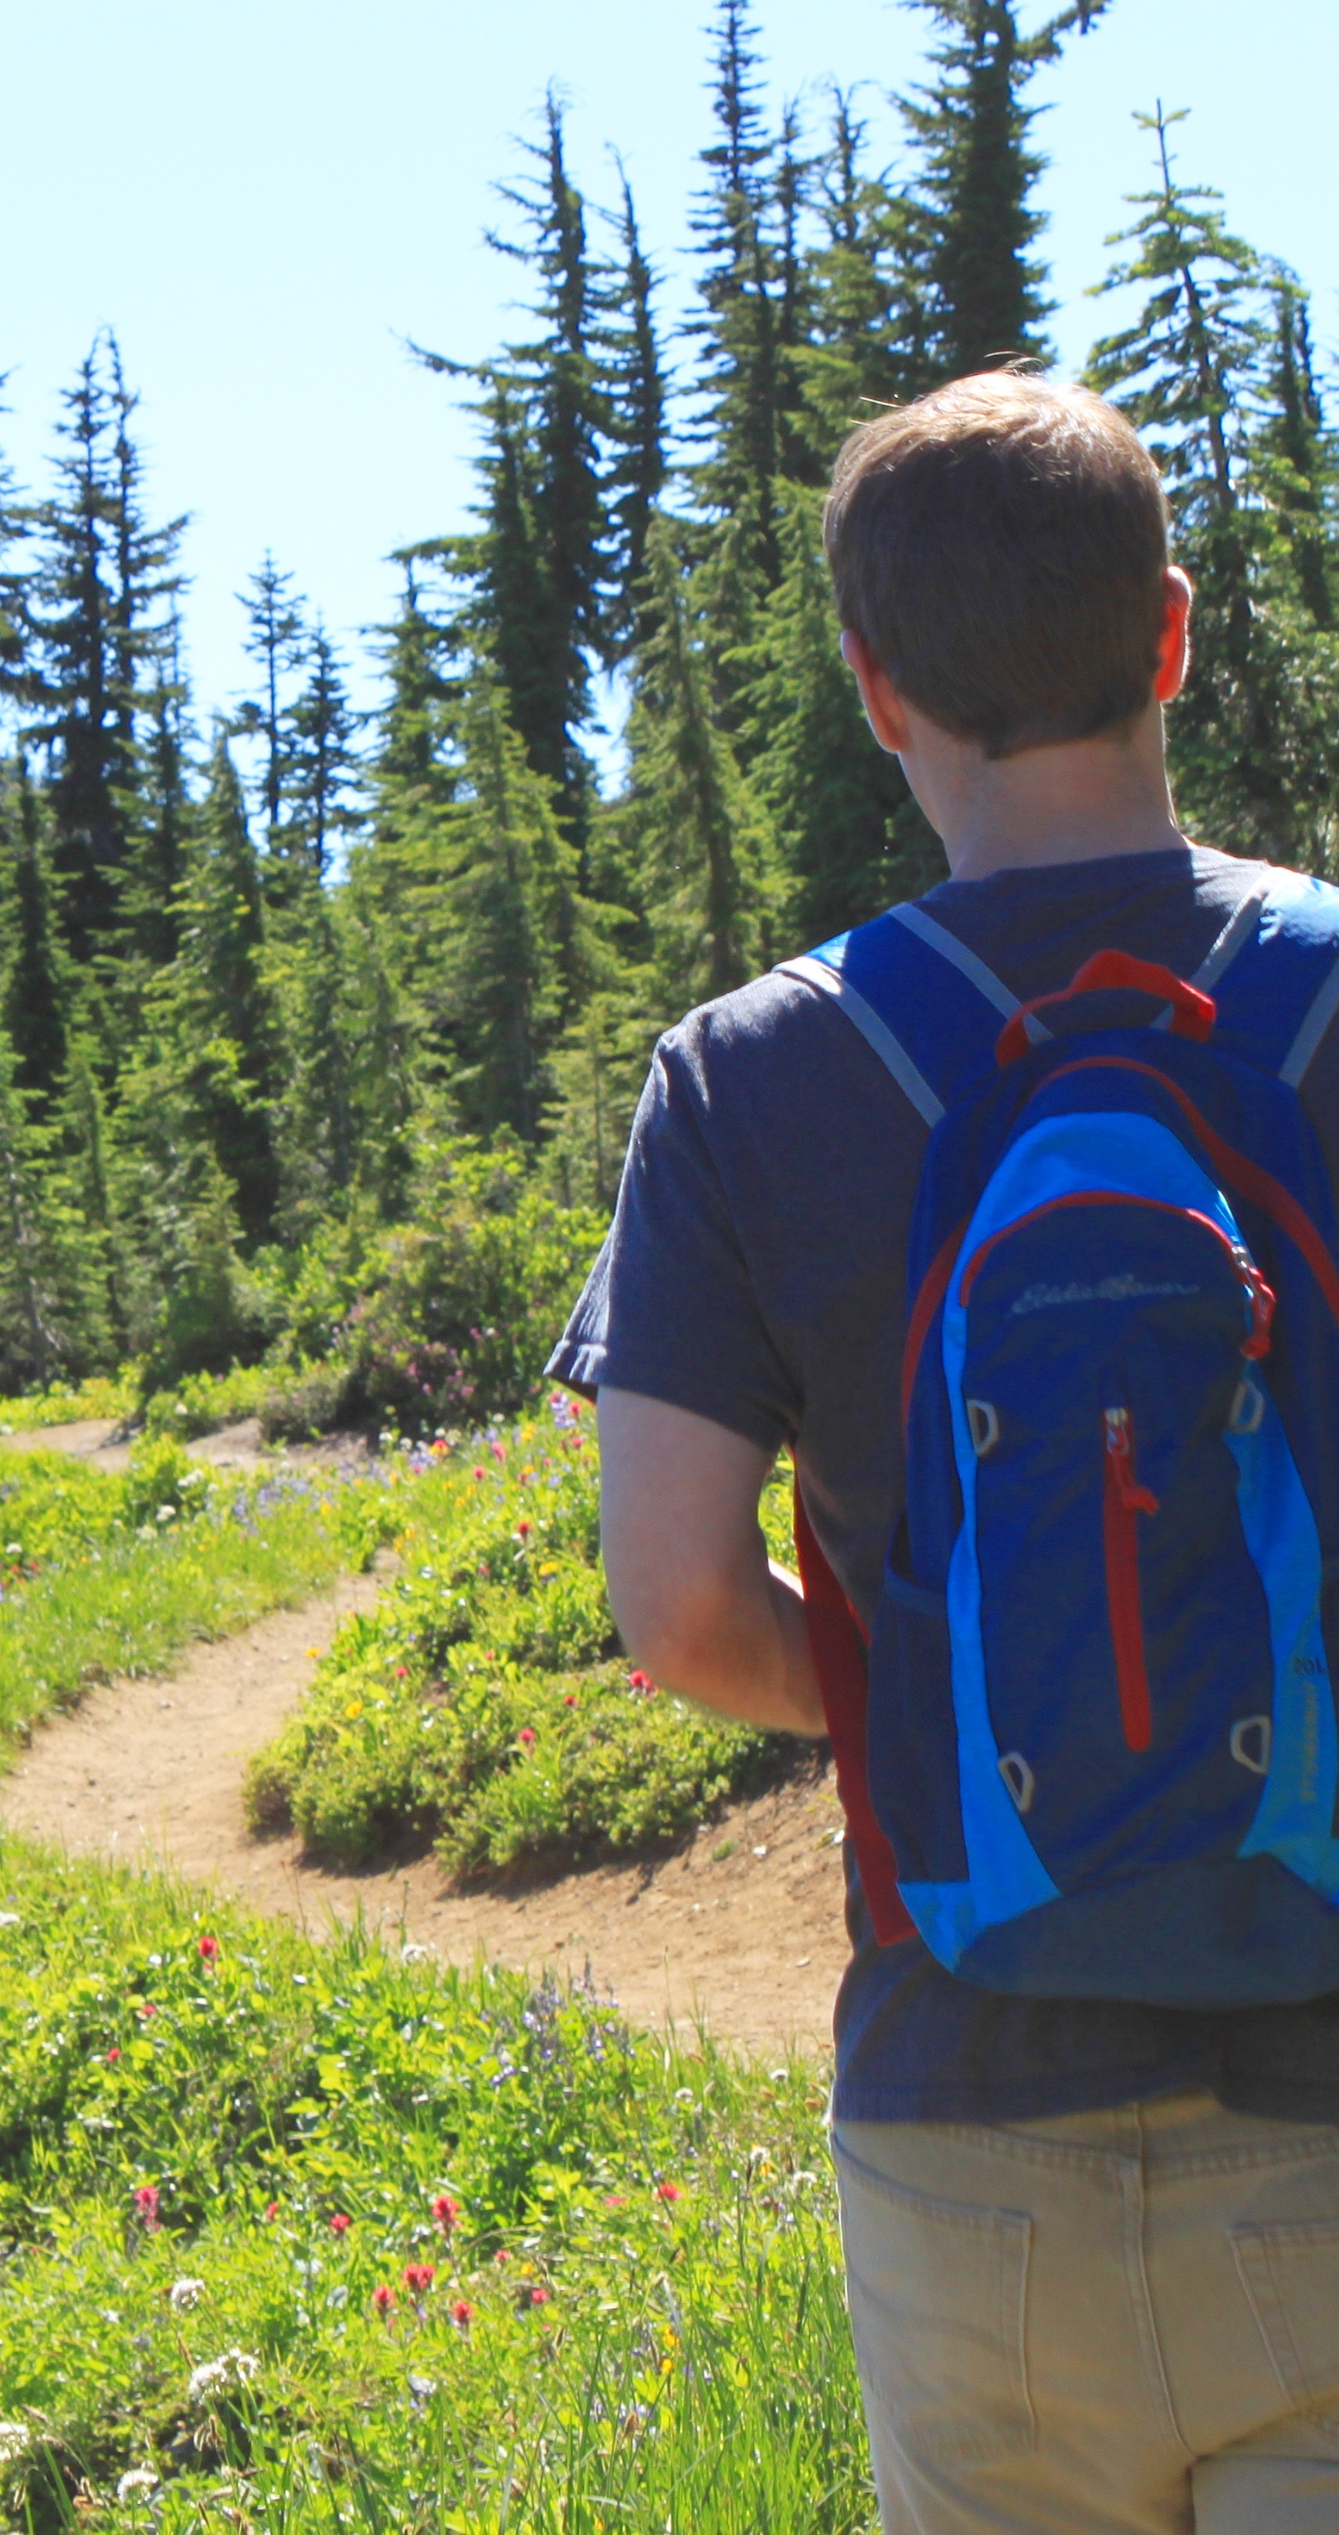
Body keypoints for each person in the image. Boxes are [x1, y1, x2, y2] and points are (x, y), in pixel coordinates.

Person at [551, 371, 1339, 2534]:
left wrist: (926, 1708)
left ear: (873, 684)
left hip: (964, 2112)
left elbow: (676, 1599)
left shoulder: (745, 1079)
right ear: (1170, 633)